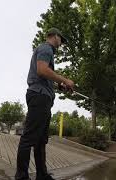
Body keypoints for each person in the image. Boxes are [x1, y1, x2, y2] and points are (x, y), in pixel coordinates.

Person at [15, 27, 74, 180]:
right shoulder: (46, 48)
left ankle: (42, 175)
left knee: (41, 140)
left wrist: (60, 86)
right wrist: (65, 80)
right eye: (61, 39)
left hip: (44, 97)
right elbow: (42, 70)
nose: (61, 43)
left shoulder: (46, 52)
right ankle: (21, 176)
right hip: (39, 97)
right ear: (54, 36)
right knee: (29, 138)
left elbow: (45, 77)